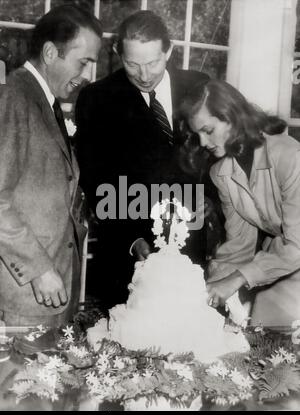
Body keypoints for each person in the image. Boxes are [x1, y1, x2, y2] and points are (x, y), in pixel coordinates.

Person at [75, 10, 213, 308]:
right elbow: (96, 180)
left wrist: (212, 206)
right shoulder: (97, 99)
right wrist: (130, 239)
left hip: (194, 248)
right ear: (117, 53)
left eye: (153, 62)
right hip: (130, 253)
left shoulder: (200, 87)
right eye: (132, 64)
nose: (145, 74)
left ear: (170, 51)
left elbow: (217, 157)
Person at [0, 5, 102, 327]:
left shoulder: (44, 100)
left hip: (50, 293)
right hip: (25, 296)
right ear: (49, 52)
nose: (86, 75)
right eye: (82, 62)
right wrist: (40, 269)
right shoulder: (14, 97)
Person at [184, 79, 300, 327]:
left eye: (208, 130)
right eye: (197, 134)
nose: (203, 143)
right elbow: (239, 245)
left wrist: (236, 280)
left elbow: (296, 247)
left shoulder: (291, 157)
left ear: (232, 117)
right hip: (284, 259)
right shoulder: (222, 173)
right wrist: (208, 290)